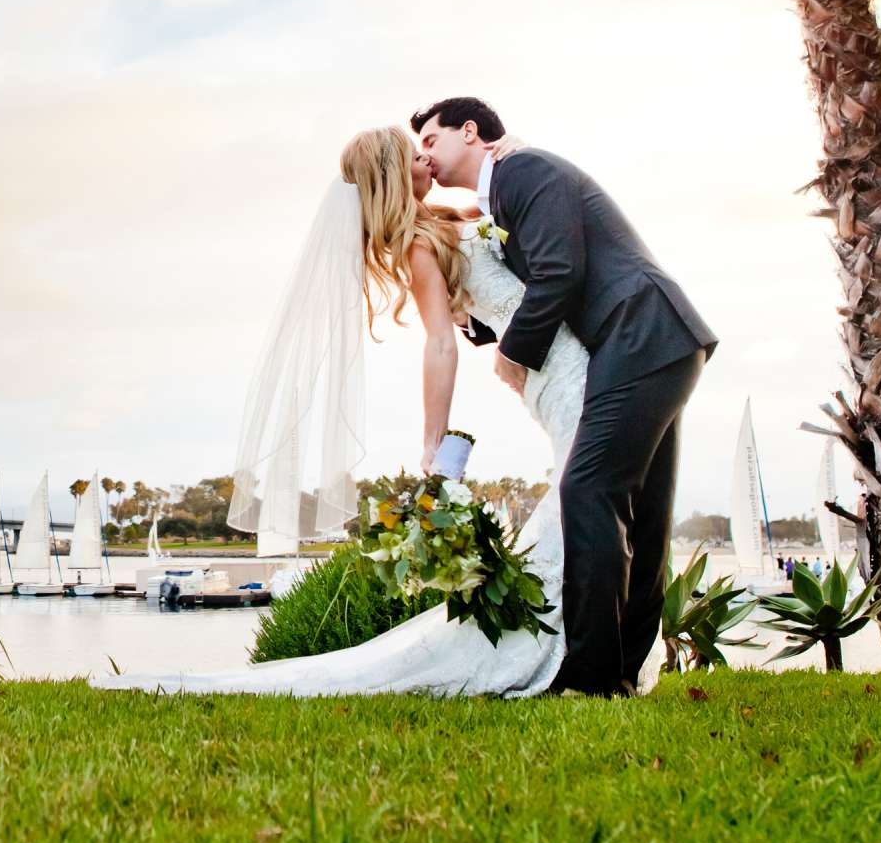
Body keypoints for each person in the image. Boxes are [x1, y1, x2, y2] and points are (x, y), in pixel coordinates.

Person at [93, 123, 585, 698]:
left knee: (580, 504)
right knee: (579, 504)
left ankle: (580, 641)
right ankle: (564, 650)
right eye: (414, 153)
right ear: (394, 175)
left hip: (561, 367)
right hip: (561, 379)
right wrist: (433, 441)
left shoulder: (445, 222)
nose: (427, 156)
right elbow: (440, 345)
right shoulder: (421, 245)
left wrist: (510, 153)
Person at [412, 96, 715, 696]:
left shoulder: (526, 171)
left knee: (588, 488)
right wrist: (490, 327)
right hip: (649, 339)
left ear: (469, 133)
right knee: (644, 510)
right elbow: (530, 276)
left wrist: (513, 351)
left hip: (642, 331)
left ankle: (591, 674)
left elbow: (560, 272)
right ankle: (620, 671)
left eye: (431, 141)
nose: (426, 155)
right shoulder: (502, 192)